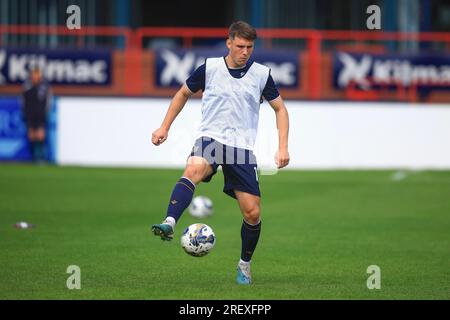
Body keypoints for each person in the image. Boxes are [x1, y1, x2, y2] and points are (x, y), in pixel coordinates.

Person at [151, 21, 290, 285]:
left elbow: (280, 109)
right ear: (229, 43)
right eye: (240, 46)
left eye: (249, 47)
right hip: (211, 139)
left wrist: (282, 146)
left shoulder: (262, 74)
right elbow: (182, 93)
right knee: (193, 170)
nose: (245, 51)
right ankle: (169, 221)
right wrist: (164, 126)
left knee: (252, 213)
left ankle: (244, 265)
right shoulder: (211, 68)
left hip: (241, 148)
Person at [21, 67, 52, 163]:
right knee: (31, 135)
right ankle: (33, 158)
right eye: (33, 74)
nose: (35, 76)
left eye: (37, 74)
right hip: (30, 115)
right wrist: (25, 114)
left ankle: (42, 157)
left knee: (40, 135)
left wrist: (46, 114)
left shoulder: (45, 87)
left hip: (41, 115)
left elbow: (48, 102)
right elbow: (23, 102)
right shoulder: (27, 86)